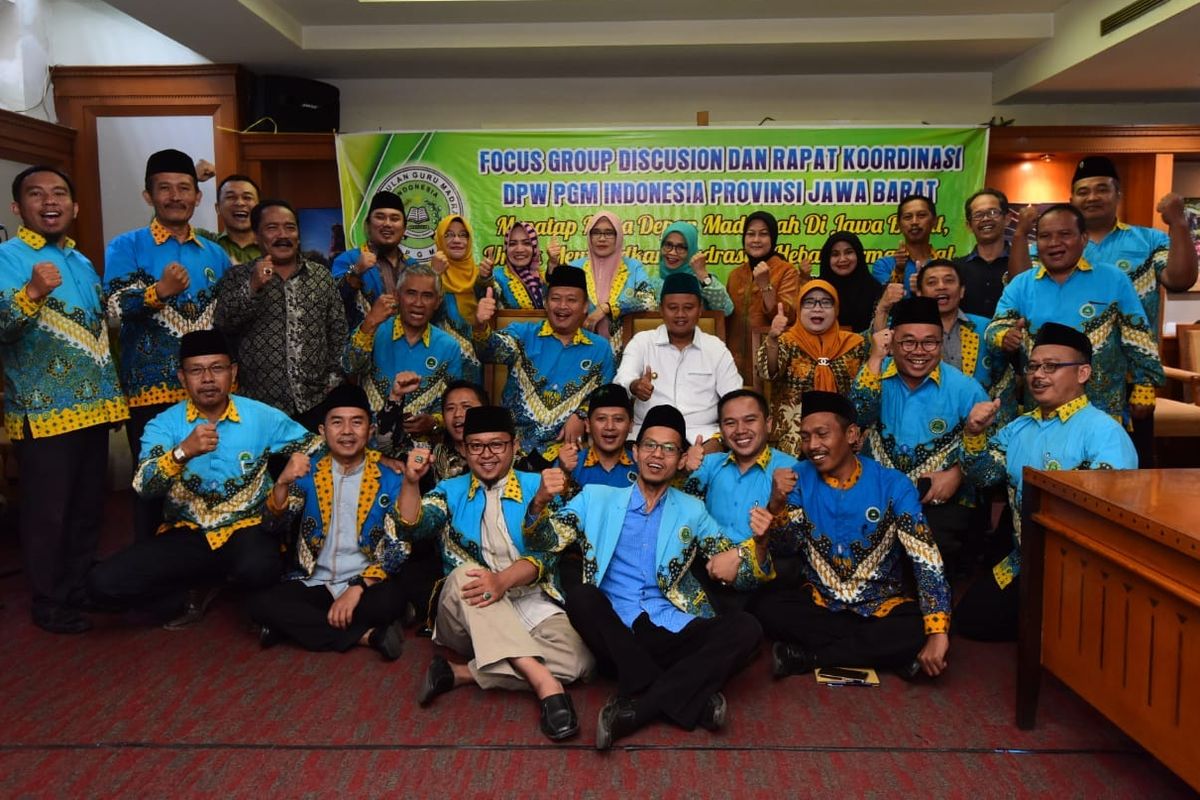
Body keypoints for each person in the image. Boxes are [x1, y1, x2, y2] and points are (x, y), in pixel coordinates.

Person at [526, 404, 772, 750]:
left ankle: (639, 707)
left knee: (748, 629)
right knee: (582, 598)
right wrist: (539, 502)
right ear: (636, 452)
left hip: (672, 624)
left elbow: (741, 574)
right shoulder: (596, 497)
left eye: (669, 449)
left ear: (681, 458)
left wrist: (758, 546)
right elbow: (543, 540)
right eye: (650, 446)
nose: (658, 455)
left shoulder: (692, 509)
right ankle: (691, 698)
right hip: (617, 629)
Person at [87, 330, 317, 622]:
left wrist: (290, 490)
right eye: (196, 370)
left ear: (232, 372)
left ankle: (202, 585)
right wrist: (182, 453)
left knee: (260, 567)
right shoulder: (163, 425)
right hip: (188, 535)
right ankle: (201, 584)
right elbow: (144, 487)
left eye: (217, 368)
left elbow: (317, 448)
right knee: (103, 583)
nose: (207, 379)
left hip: (245, 529)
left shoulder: (262, 416)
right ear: (182, 378)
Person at [397, 406, 593, 742]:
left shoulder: (540, 485)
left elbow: (547, 554)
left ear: (515, 446)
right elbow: (413, 527)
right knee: (468, 574)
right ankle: (545, 684)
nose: (486, 455)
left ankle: (460, 673)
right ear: (463, 449)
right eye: (476, 446)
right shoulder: (450, 489)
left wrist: (502, 581)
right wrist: (411, 482)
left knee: (580, 662)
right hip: (468, 610)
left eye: (497, 445)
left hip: (529, 598)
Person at [1, 166, 129, 634]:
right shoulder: (7, 257)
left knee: (85, 508)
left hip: (93, 409)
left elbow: (96, 334)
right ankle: (49, 600)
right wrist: (32, 292)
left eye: (59, 194)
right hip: (43, 412)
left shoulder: (81, 261)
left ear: (74, 208)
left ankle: (78, 587)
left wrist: (112, 401)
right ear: (18, 207)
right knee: (46, 514)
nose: (49, 201)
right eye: (36, 194)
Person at [955, 324, 1137, 641]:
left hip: (1082, 568)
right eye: (1034, 366)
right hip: (1024, 558)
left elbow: (1106, 512)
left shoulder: (1104, 431)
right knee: (970, 617)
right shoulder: (1019, 428)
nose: (1039, 375)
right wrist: (973, 435)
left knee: (1057, 631)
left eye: (1052, 367)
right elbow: (983, 475)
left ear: (1082, 373)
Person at [1009, 157, 1196, 465]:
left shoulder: (1147, 240)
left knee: (1122, 473)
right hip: (1052, 384)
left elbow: (1180, 279)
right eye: (1083, 191)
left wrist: (1178, 222)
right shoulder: (1051, 245)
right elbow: (1020, 287)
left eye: (1101, 189)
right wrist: (1020, 235)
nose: (1092, 197)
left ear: (1118, 193)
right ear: (1071, 200)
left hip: (1124, 386)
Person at [754, 391, 951, 679]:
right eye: (805, 436)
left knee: (921, 627)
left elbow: (926, 559)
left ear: (851, 434)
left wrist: (937, 633)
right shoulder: (796, 479)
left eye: (822, 434)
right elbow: (787, 548)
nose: (812, 445)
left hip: (882, 607)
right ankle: (887, 656)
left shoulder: (893, 484)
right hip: (820, 604)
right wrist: (777, 505)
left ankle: (807, 657)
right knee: (765, 607)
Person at [104, 148, 232, 542]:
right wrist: (158, 292)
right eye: (164, 189)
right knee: (154, 483)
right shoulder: (128, 246)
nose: (175, 196)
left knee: (208, 479)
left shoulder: (215, 253)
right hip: (151, 394)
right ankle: (151, 571)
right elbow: (111, 310)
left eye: (184, 188)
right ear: (148, 196)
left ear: (197, 196)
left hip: (209, 392)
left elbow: (225, 321)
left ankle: (202, 569)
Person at [247, 384, 411, 659]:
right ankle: (368, 636)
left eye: (356, 422)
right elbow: (272, 526)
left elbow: (400, 546)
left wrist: (357, 588)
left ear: (370, 430)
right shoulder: (306, 473)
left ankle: (296, 627)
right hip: (315, 582)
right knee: (259, 604)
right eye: (337, 423)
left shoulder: (392, 476)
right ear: (323, 432)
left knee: (390, 601)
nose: (347, 431)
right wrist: (282, 483)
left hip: (367, 586)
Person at [985, 204, 1162, 433]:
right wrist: (1004, 336)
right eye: (1045, 236)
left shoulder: (1114, 279)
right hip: (1040, 411)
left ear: (1084, 238)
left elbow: (1137, 333)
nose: (1054, 242)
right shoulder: (1021, 283)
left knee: (1102, 466)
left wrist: (1145, 382)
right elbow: (995, 327)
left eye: (1064, 234)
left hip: (1101, 408)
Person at [851, 296, 988, 576]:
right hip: (876, 497)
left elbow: (994, 451)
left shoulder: (965, 389)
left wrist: (958, 473)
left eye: (930, 342)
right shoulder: (874, 375)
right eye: (908, 342)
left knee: (926, 549)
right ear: (892, 342)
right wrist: (875, 358)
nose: (919, 351)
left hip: (938, 505)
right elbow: (857, 417)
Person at [215, 199, 347, 430]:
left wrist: (332, 384)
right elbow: (223, 325)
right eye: (272, 228)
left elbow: (337, 332)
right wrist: (253, 286)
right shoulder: (237, 277)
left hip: (315, 405)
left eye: (290, 227)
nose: (282, 235)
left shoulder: (320, 276)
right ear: (256, 236)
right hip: (258, 408)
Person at [472, 265, 615, 468]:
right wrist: (480, 326)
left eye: (572, 300)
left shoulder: (600, 349)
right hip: (514, 450)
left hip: (566, 453)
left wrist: (581, 415)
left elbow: (606, 396)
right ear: (546, 303)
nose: (562, 306)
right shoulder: (523, 335)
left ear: (585, 306)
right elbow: (488, 351)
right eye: (556, 298)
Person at [343, 264, 464, 455]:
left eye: (427, 296)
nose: (418, 303)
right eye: (411, 293)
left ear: (438, 301)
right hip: (367, 449)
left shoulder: (449, 347)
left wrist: (434, 423)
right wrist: (370, 323)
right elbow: (350, 368)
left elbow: (456, 405)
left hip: (421, 456)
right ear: (397, 295)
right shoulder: (373, 330)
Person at [615, 273, 742, 448]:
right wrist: (634, 386)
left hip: (701, 435)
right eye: (672, 307)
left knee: (710, 460)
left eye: (688, 307)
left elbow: (734, 397)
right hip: (649, 432)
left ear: (699, 310)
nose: (680, 314)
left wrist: (721, 438)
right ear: (661, 309)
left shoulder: (715, 348)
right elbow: (621, 382)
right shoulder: (642, 342)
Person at [757, 280, 871, 455]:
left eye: (826, 302)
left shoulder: (854, 344)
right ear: (799, 309)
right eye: (809, 302)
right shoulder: (786, 341)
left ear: (836, 309)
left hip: (842, 435)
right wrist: (772, 338)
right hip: (794, 438)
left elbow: (868, 389)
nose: (817, 308)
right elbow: (768, 374)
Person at [555, 210, 657, 355]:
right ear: (589, 236)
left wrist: (608, 308)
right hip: (579, 349)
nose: (602, 238)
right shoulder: (574, 268)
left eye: (609, 233)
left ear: (618, 237)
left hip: (623, 352)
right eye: (596, 232)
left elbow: (649, 301)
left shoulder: (633, 267)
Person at [725, 211, 801, 378]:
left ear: (773, 238)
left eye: (763, 234)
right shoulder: (735, 275)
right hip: (733, 363)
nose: (756, 240)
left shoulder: (786, 271)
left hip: (770, 361)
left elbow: (788, 317)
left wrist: (765, 286)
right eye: (751, 234)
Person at [332, 190, 416, 329]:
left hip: (407, 348)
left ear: (404, 229)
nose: (387, 224)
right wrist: (356, 270)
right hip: (361, 347)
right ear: (368, 225)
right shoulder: (348, 260)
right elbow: (332, 302)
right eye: (380, 217)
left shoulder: (413, 266)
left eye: (394, 219)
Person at [914, 259, 1000, 390]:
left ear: (962, 291)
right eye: (932, 282)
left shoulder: (986, 328)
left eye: (949, 280)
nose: (941, 286)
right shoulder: (910, 331)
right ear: (919, 293)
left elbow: (1003, 381)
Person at [429, 215, 485, 382]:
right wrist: (435, 275)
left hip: (475, 363)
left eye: (463, 235)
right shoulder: (426, 273)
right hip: (436, 359)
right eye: (449, 235)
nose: (457, 240)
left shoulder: (479, 275)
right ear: (439, 238)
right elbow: (419, 311)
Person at [557, 383, 638, 489]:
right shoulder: (569, 463)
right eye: (601, 419)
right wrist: (565, 473)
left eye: (618, 419)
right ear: (588, 425)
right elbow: (552, 504)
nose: (609, 427)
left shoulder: (640, 465)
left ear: (630, 425)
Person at [953, 189, 1011, 317]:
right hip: (966, 336)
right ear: (969, 225)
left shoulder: (1023, 265)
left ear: (1007, 219)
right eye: (978, 215)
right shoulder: (955, 268)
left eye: (992, 212)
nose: (985, 219)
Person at [656, 221, 733, 315]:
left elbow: (726, 310)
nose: (672, 252)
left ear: (691, 251)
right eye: (668, 245)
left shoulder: (701, 281)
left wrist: (702, 275)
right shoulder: (652, 284)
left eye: (681, 247)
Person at [870, 194, 938, 293]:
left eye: (921, 215)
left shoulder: (946, 266)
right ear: (899, 225)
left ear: (934, 221)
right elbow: (885, 300)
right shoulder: (884, 265)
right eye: (908, 217)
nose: (914, 222)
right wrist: (899, 270)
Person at [817, 231, 882, 333]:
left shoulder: (875, 289)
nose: (842, 259)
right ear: (827, 259)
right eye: (835, 254)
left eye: (848, 252)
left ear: (859, 255)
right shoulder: (817, 289)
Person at [429, 380, 488, 483]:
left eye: (466, 407)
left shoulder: (500, 455)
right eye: (450, 408)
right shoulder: (432, 458)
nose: (457, 414)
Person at [199, 174, 262, 265]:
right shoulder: (205, 242)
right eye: (231, 197)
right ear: (218, 208)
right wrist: (194, 176)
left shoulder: (271, 247)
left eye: (247, 197)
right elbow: (173, 228)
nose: (240, 203)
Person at [488, 221, 546, 309]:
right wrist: (485, 279)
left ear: (534, 248)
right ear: (506, 248)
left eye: (526, 243)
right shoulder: (496, 278)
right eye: (512, 244)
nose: (519, 249)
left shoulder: (543, 278)